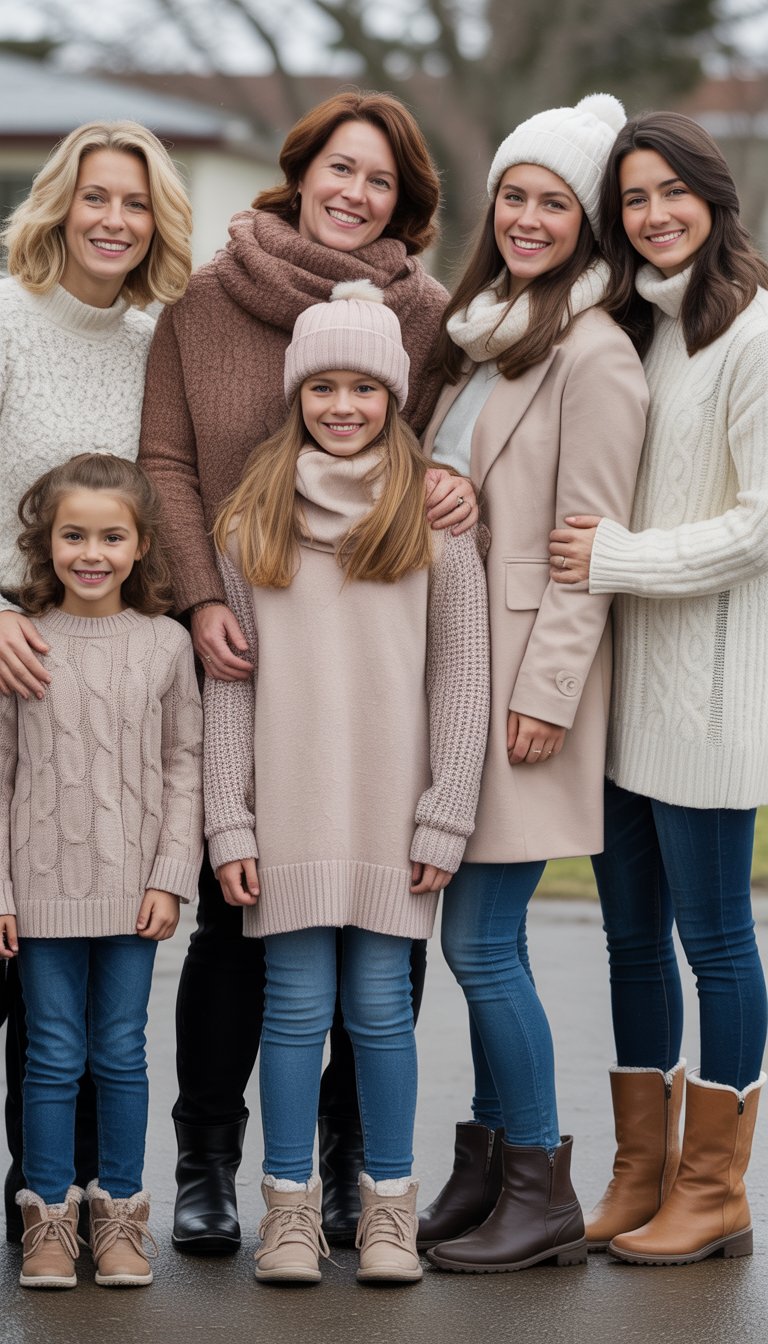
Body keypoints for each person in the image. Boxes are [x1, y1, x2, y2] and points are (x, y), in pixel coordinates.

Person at [138, 89, 479, 1253]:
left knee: (378, 978)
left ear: (406, 202)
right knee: (239, 945)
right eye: (341, 167)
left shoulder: (427, 313)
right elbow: (167, 460)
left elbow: (435, 447)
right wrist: (196, 598)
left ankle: (350, 1177)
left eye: (381, 180)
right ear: (302, 171)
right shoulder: (208, 298)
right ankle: (211, 1162)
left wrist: (456, 490)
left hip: (374, 646)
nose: (356, 192)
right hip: (243, 632)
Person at [202, 280, 489, 1284]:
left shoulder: (435, 525)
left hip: (390, 810)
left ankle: (385, 1214)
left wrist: (447, 811)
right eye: (320, 386)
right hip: (286, 810)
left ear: (395, 397)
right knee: (290, 1009)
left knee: (377, 1009)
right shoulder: (250, 525)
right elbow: (230, 691)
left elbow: (462, 677)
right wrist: (229, 825)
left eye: (363, 388)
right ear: (296, 397)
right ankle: (288, 1213)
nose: (341, 406)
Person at [416, 95, 648, 1274]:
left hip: (519, 682)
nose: (527, 216)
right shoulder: (483, 325)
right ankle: (492, 1160)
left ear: (589, 221)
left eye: (555, 201)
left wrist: (549, 692)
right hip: (453, 667)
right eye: (514, 193)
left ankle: (540, 1180)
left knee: (483, 945)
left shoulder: (596, 352)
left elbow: (587, 543)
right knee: (474, 942)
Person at [549, 110, 768, 1266]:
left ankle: (715, 1185)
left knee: (716, 942)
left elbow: (761, 524)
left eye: (672, 191)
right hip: (624, 696)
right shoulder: (638, 333)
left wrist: (616, 559)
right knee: (631, 942)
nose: (654, 214)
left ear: (712, 197)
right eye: (632, 198)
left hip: (709, 703)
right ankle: (641, 1173)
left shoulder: (755, 334)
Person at [0, 119, 192, 1244]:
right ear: (60, 203)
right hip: (9, 636)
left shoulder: (153, 340)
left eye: (134, 202)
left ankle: (59, 1200)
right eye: (94, 198)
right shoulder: (6, 319)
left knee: (70, 1008)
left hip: (105, 655)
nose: (112, 220)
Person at [0, 453, 203, 1289]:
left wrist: (171, 875)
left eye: (111, 536)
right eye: (73, 535)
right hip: (41, 891)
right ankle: (48, 1220)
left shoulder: (165, 645)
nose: (92, 552)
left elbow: (185, 765)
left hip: (132, 892)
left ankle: (119, 1216)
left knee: (121, 1053)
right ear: (44, 544)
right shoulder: (22, 642)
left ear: (141, 543)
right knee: (51, 1055)